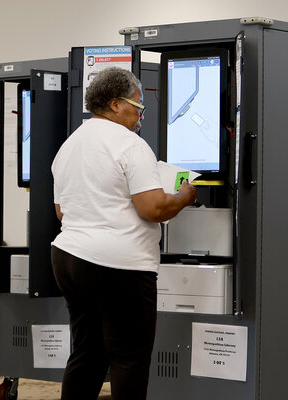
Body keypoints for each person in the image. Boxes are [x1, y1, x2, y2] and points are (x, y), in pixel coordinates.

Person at [50, 67, 196, 400]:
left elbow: (61, 211)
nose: (140, 114)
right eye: (138, 106)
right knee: (129, 359)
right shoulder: (131, 145)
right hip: (119, 267)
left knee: (87, 353)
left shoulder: (69, 145)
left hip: (69, 258)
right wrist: (184, 197)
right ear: (115, 104)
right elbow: (153, 208)